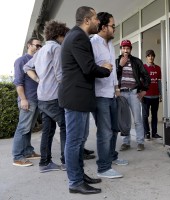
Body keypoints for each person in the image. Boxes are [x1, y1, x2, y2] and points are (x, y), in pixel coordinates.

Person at [58, 6, 112, 195]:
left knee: (79, 141)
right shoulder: (79, 37)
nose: (99, 21)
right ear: (87, 20)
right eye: (96, 18)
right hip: (75, 98)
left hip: (77, 97)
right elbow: (88, 68)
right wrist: (106, 68)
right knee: (74, 142)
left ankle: (79, 175)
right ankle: (75, 181)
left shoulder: (75, 36)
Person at [23, 20, 69, 173]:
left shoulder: (41, 50)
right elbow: (60, 75)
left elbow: (27, 66)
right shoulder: (56, 48)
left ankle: (45, 163)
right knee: (66, 126)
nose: (64, 39)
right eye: (64, 36)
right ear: (59, 35)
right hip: (54, 96)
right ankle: (66, 161)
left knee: (48, 130)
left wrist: (39, 80)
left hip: (42, 96)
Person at [90, 12, 127, 179]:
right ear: (103, 27)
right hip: (99, 96)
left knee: (113, 130)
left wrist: (117, 89)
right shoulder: (92, 43)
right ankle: (103, 168)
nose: (114, 28)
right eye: (112, 25)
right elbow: (89, 69)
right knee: (104, 132)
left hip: (111, 94)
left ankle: (111, 156)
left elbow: (112, 72)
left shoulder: (111, 44)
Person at [12, 37, 42, 167]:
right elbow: (18, 82)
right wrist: (23, 99)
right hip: (28, 99)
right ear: (29, 45)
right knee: (22, 128)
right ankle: (18, 157)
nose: (38, 48)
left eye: (40, 46)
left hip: (36, 99)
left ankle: (28, 151)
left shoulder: (38, 60)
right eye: (36, 45)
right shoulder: (21, 61)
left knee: (28, 128)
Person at [116, 39, 151, 151]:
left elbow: (146, 75)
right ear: (121, 49)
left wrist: (144, 90)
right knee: (125, 120)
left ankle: (140, 142)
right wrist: (120, 66)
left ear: (130, 49)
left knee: (137, 119)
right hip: (122, 93)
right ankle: (126, 143)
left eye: (128, 48)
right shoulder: (117, 61)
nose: (125, 50)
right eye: (124, 48)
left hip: (133, 93)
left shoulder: (136, 61)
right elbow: (113, 78)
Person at [142, 49, 162, 140]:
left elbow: (159, 82)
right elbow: (140, 81)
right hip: (145, 96)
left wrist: (160, 94)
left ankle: (154, 133)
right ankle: (146, 133)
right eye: (149, 56)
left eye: (152, 56)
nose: (151, 57)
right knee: (145, 115)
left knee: (155, 115)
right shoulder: (143, 67)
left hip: (155, 96)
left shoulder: (158, 68)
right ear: (146, 57)